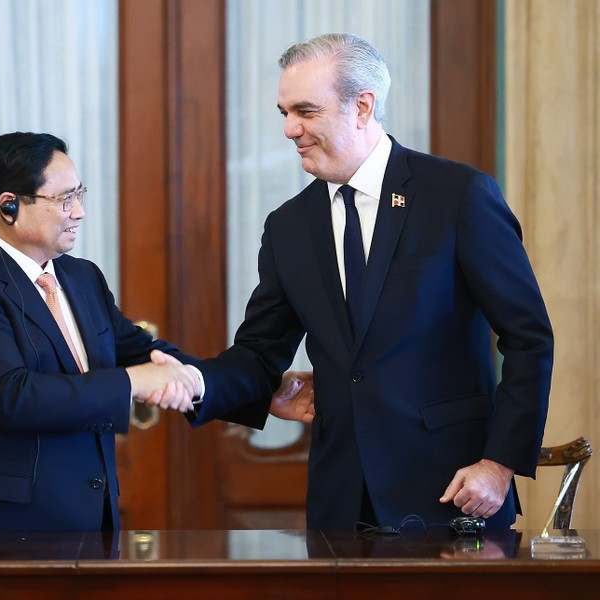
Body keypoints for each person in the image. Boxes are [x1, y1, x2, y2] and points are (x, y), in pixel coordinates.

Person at [174, 33, 553, 530]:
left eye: (305, 112)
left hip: (453, 491)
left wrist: (499, 464)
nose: (290, 129)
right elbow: (259, 351)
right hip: (341, 501)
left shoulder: (456, 196)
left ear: (362, 106)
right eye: (284, 112)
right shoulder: (289, 225)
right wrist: (192, 383)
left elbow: (528, 337)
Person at [0, 132, 200, 533]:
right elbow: (13, 397)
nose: (79, 211)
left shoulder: (82, 278)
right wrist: (132, 382)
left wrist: (238, 385)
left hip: (85, 520)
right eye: (64, 199)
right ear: (9, 206)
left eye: (80, 194)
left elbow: (143, 353)